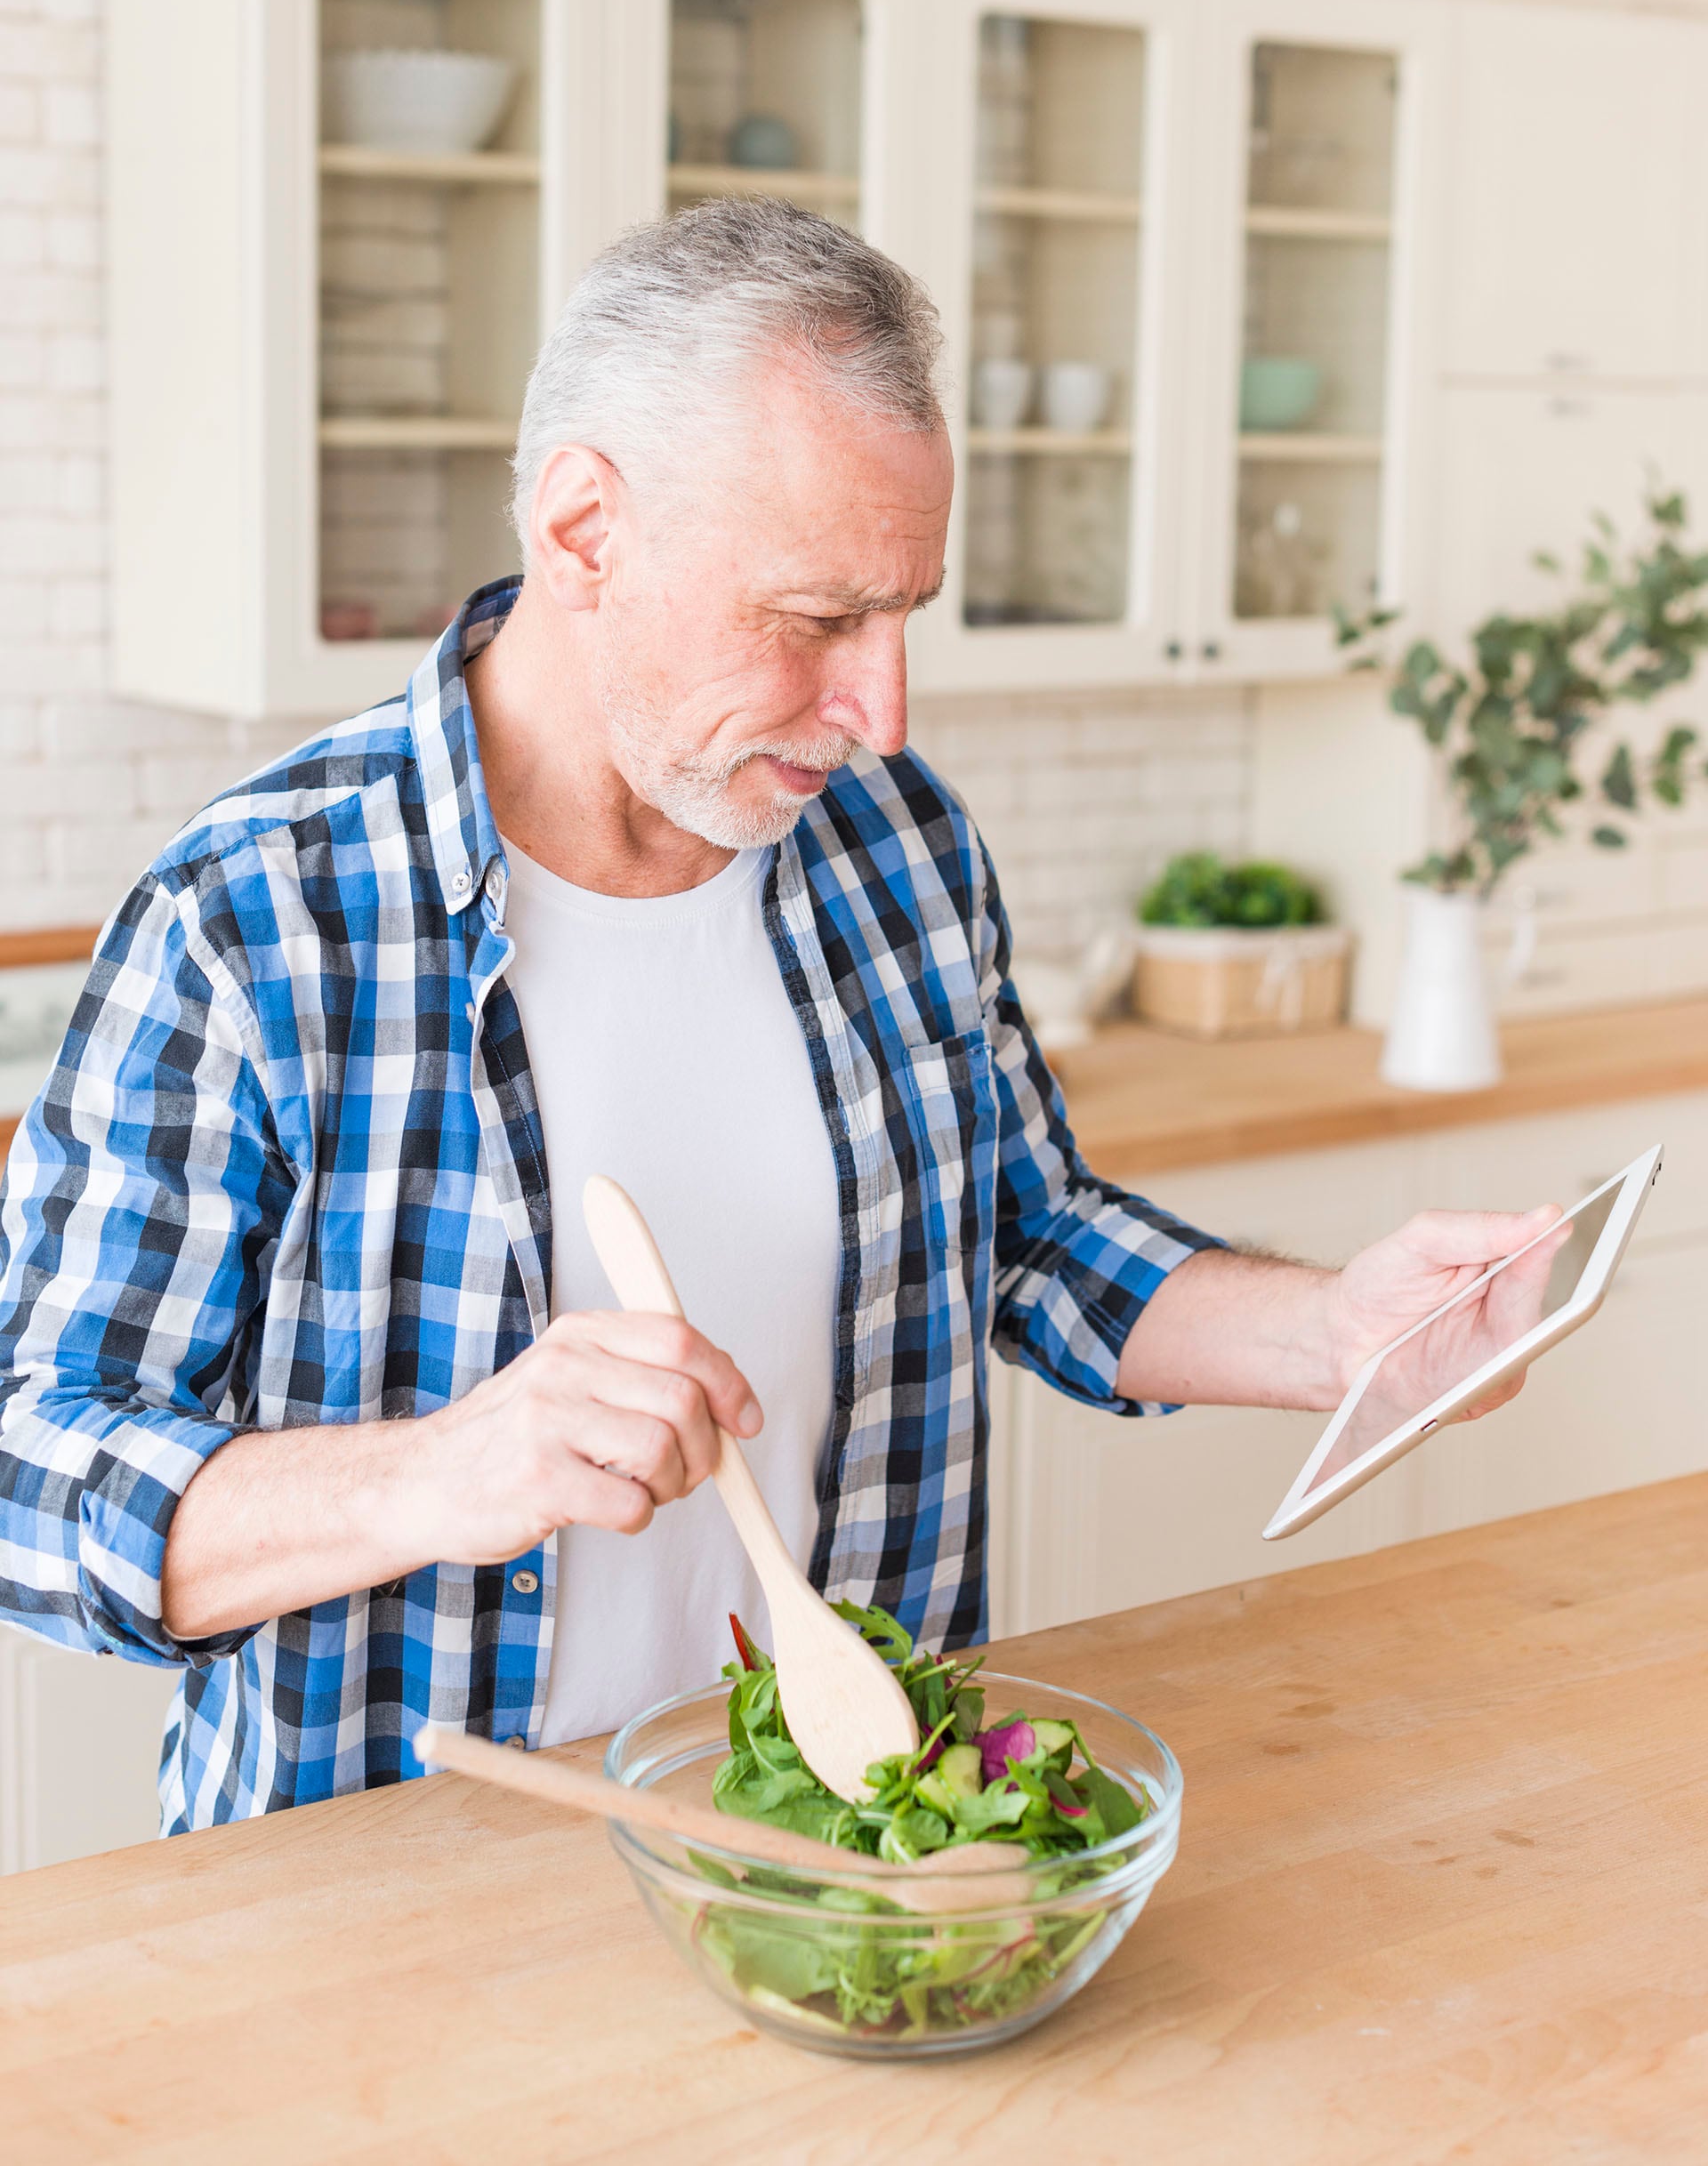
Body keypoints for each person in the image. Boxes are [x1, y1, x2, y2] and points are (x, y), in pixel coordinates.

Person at [0, 201, 1564, 1832]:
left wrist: (1341, 1336)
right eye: (818, 620)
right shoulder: (258, 914)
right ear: (585, 532)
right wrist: (437, 1470)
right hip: (398, 1875)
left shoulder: (895, 843)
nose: (882, 710)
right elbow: (28, 1468)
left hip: (830, 1849)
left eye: (904, 614)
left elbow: (1024, 1231)